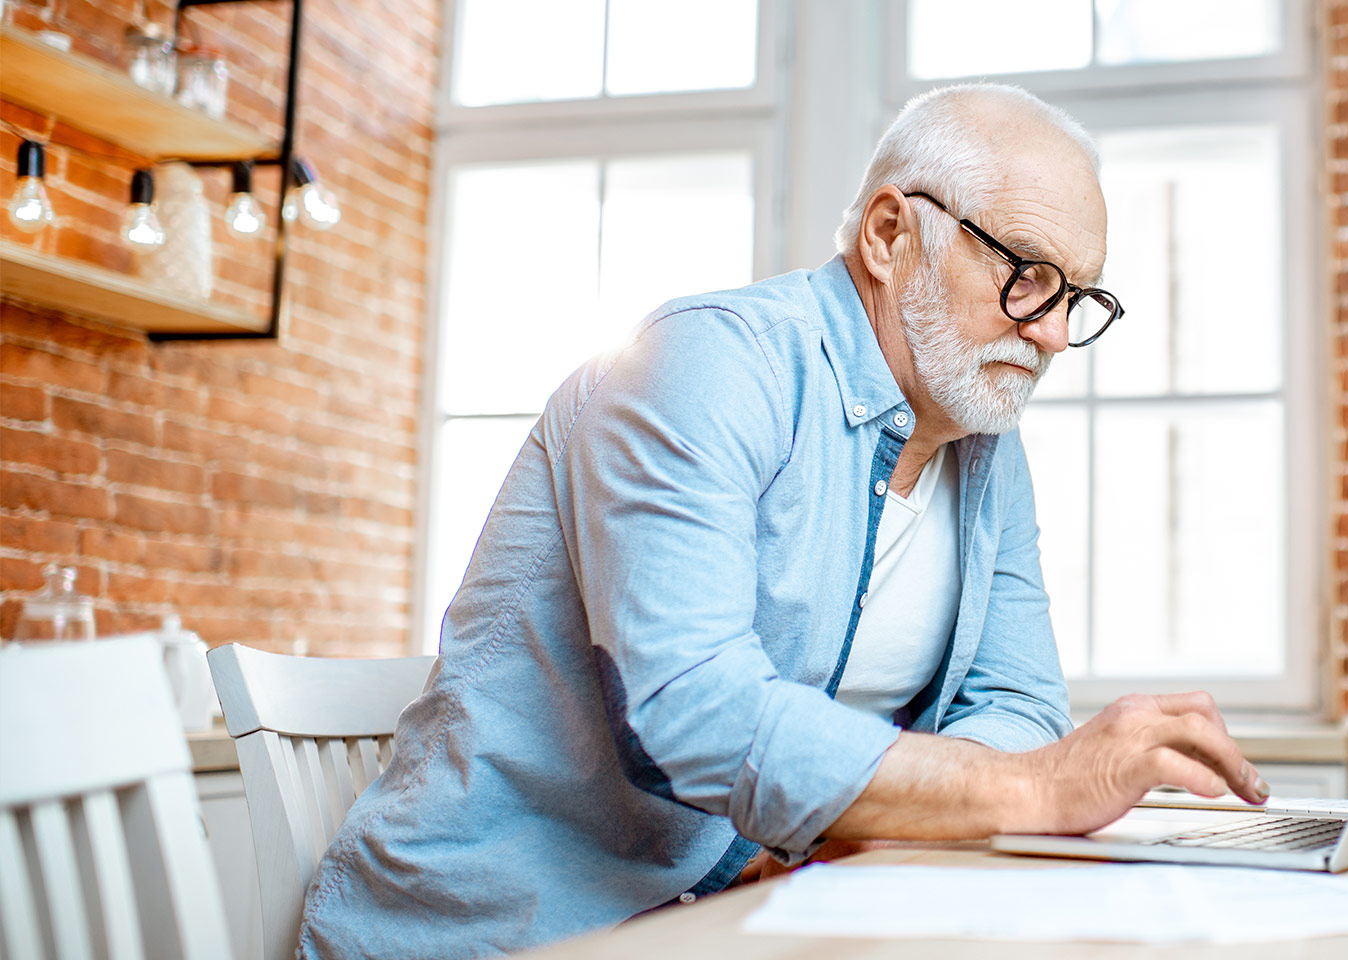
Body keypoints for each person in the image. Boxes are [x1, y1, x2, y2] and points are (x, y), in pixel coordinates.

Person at [298, 83, 1269, 959]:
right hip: (505, 931)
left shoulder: (984, 443)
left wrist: (890, 808)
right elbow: (703, 711)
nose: (1053, 333)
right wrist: (1031, 789)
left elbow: (1018, 700)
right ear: (890, 234)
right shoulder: (706, 365)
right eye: (1025, 273)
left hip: (739, 916)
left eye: (1077, 297)